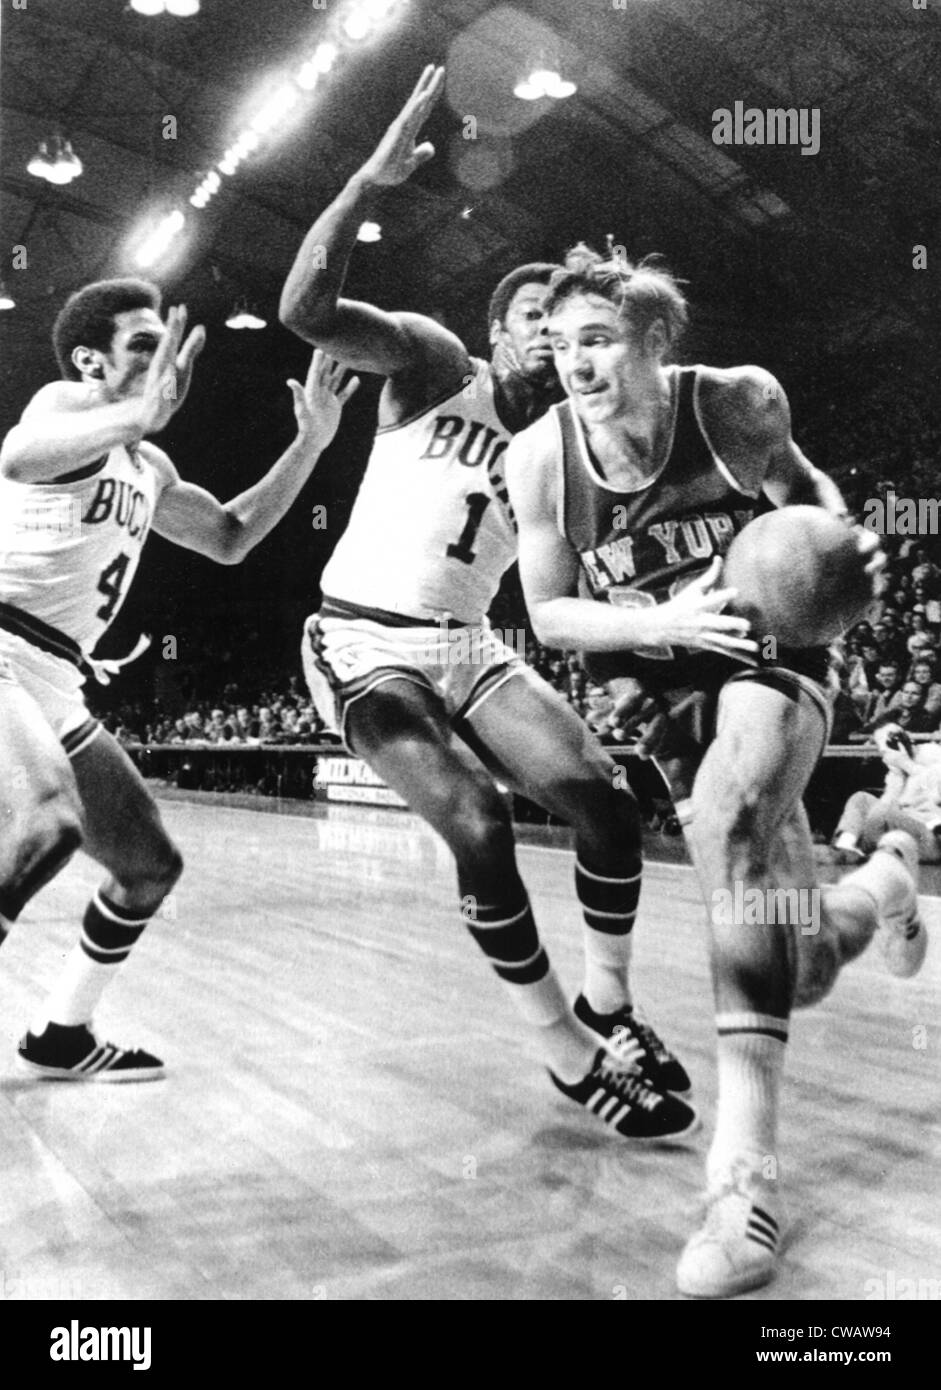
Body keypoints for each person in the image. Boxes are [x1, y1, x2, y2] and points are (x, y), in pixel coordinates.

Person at [279, 67, 696, 1142]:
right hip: (362, 640)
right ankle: (566, 1053)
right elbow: (304, 309)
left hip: (469, 645)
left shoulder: (569, 450)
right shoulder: (429, 364)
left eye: (567, 330)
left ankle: (607, 1005)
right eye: (530, 320)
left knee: (608, 803)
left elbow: (598, 582)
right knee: (474, 819)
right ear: (497, 332)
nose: (550, 341)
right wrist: (365, 185)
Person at [505, 244, 928, 1297]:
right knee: (803, 958)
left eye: (595, 341)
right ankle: (891, 863)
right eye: (558, 347)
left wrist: (839, 543)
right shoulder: (539, 458)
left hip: (766, 656)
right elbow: (548, 610)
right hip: (656, 686)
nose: (574, 365)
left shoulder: (737, 404)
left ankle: (740, 1182)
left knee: (733, 814)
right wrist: (653, 621)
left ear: (654, 341)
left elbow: (802, 488)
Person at [0, 277, 357, 1079]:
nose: (161, 359)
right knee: (48, 823)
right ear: (91, 361)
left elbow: (230, 537)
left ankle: (63, 1033)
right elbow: (17, 457)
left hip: (54, 673)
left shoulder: (148, 463)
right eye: (141, 345)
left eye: (164, 342)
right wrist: (136, 412)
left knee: (148, 867)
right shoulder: (63, 406)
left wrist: (311, 445)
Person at [833, 723, 941, 866]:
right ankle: (846, 845)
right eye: (883, 753)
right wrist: (898, 775)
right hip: (905, 826)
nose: (885, 758)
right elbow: (890, 802)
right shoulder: (896, 767)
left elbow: (934, 792)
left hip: (931, 836)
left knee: (883, 813)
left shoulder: (933, 754)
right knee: (861, 799)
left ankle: (862, 851)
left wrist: (907, 764)